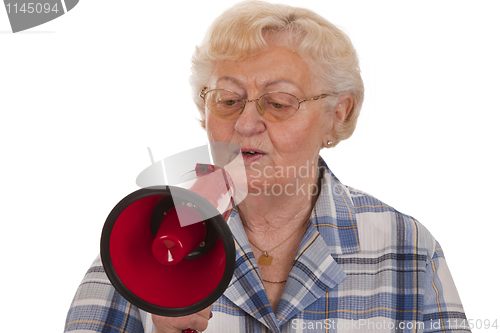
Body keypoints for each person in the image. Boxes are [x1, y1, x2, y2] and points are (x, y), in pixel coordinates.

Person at [64, 1, 470, 332]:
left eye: (278, 103)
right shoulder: (140, 237)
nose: (244, 123)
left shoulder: (407, 249)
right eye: (227, 99)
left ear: (336, 114)